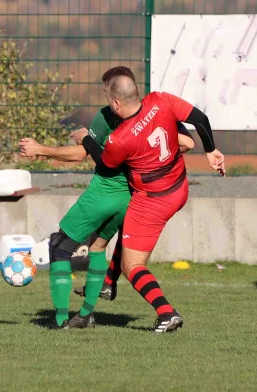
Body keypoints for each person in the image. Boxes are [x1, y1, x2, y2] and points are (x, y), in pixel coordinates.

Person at [19, 67, 196, 329]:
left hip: (104, 192)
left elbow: (83, 154)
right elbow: (187, 143)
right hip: (131, 198)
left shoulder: (106, 118)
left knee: (59, 247)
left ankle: (59, 321)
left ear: (116, 95)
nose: (106, 97)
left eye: (107, 90)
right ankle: (89, 311)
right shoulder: (154, 110)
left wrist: (40, 149)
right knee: (98, 248)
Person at [71, 71, 225, 333]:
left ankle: (166, 313)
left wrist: (84, 137)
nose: (108, 103)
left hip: (152, 200)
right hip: (178, 187)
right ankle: (108, 283)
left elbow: (105, 166)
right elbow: (201, 119)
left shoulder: (122, 138)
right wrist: (211, 150)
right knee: (127, 229)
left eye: (108, 98)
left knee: (132, 265)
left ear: (117, 103)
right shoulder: (160, 100)